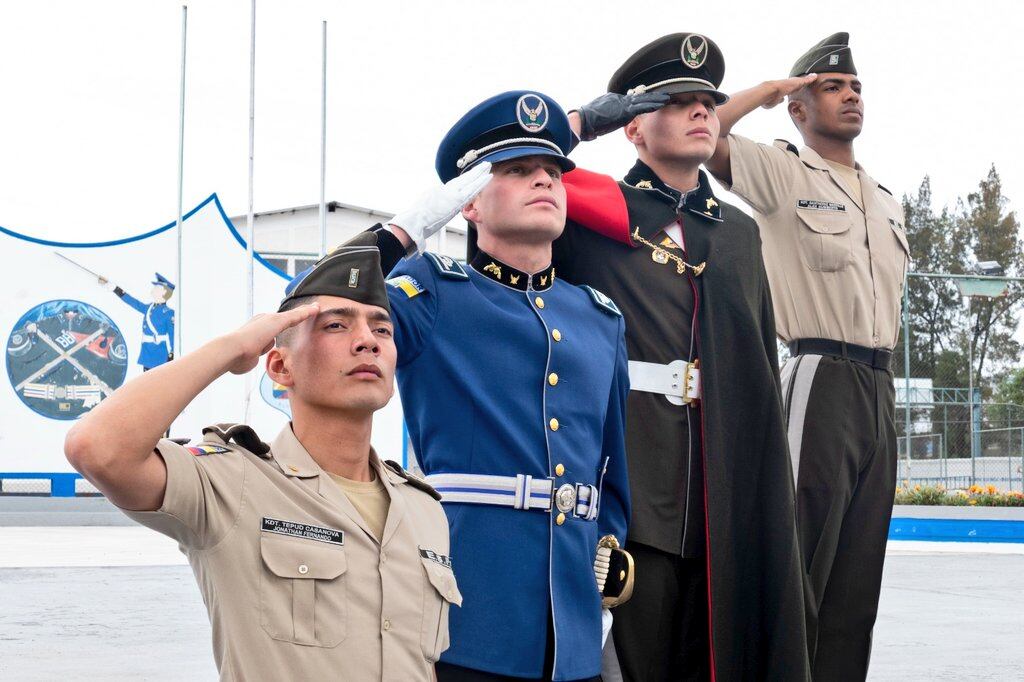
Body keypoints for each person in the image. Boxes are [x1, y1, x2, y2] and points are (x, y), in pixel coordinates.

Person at [65, 244, 457, 681]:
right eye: (336, 325)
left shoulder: (424, 510)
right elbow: (97, 448)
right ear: (280, 367)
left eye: (382, 330)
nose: (368, 340)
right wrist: (232, 348)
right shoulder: (231, 483)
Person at [348, 90, 632, 681]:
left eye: (553, 171)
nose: (544, 180)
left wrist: (608, 547)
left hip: (573, 628)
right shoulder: (431, 290)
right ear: (469, 201)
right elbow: (310, 313)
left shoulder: (600, 318)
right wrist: (401, 234)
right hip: (469, 618)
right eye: (518, 169)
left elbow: (613, 467)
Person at [554, 33, 810, 681]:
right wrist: (580, 121)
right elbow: (504, 165)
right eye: (675, 101)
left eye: (708, 102)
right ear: (632, 126)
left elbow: (756, 365)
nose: (701, 111)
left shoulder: (741, 234)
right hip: (628, 495)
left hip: (723, 495)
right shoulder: (586, 212)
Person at [704, 32, 910, 681]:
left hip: (879, 389)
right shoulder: (785, 172)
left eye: (856, 87)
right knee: (798, 568)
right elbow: (707, 135)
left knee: (856, 584)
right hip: (820, 377)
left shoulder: (885, 199)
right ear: (799, 107)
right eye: (833, 86)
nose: (851, 95)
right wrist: (770, 91)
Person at [100, 272, 175, 370]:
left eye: (156, 288)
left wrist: (172, 354)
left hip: (159, 355)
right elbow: (133, 302)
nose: (153, 290)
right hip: (147, 352)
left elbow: (172, 335)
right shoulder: (149, 308)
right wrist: (115, 288)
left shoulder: (169, 313)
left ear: (164, 292)